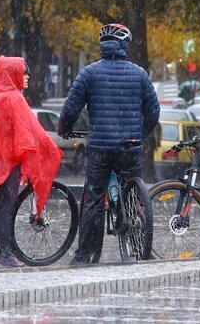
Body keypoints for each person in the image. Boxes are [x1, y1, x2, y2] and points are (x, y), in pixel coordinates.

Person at [57, 23, 160, 265]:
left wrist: (65, 130)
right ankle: (137, 244)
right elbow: (153, 111)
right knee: (133, 193)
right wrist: (141, 134)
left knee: (93, 199)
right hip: (130, 146)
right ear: (125, 45)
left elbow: (70, 109)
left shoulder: (89, 73)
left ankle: (86, 254)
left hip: (101, 148)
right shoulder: (139, 74)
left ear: (102, 46)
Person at [0, 56, 63, 268]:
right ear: (13, 75)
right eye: (23, 73)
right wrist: (49, 148)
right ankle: (5, 254)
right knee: (6, 207)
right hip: (5, 163)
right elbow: (29, 131)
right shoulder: (14, 98)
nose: (26, 77)